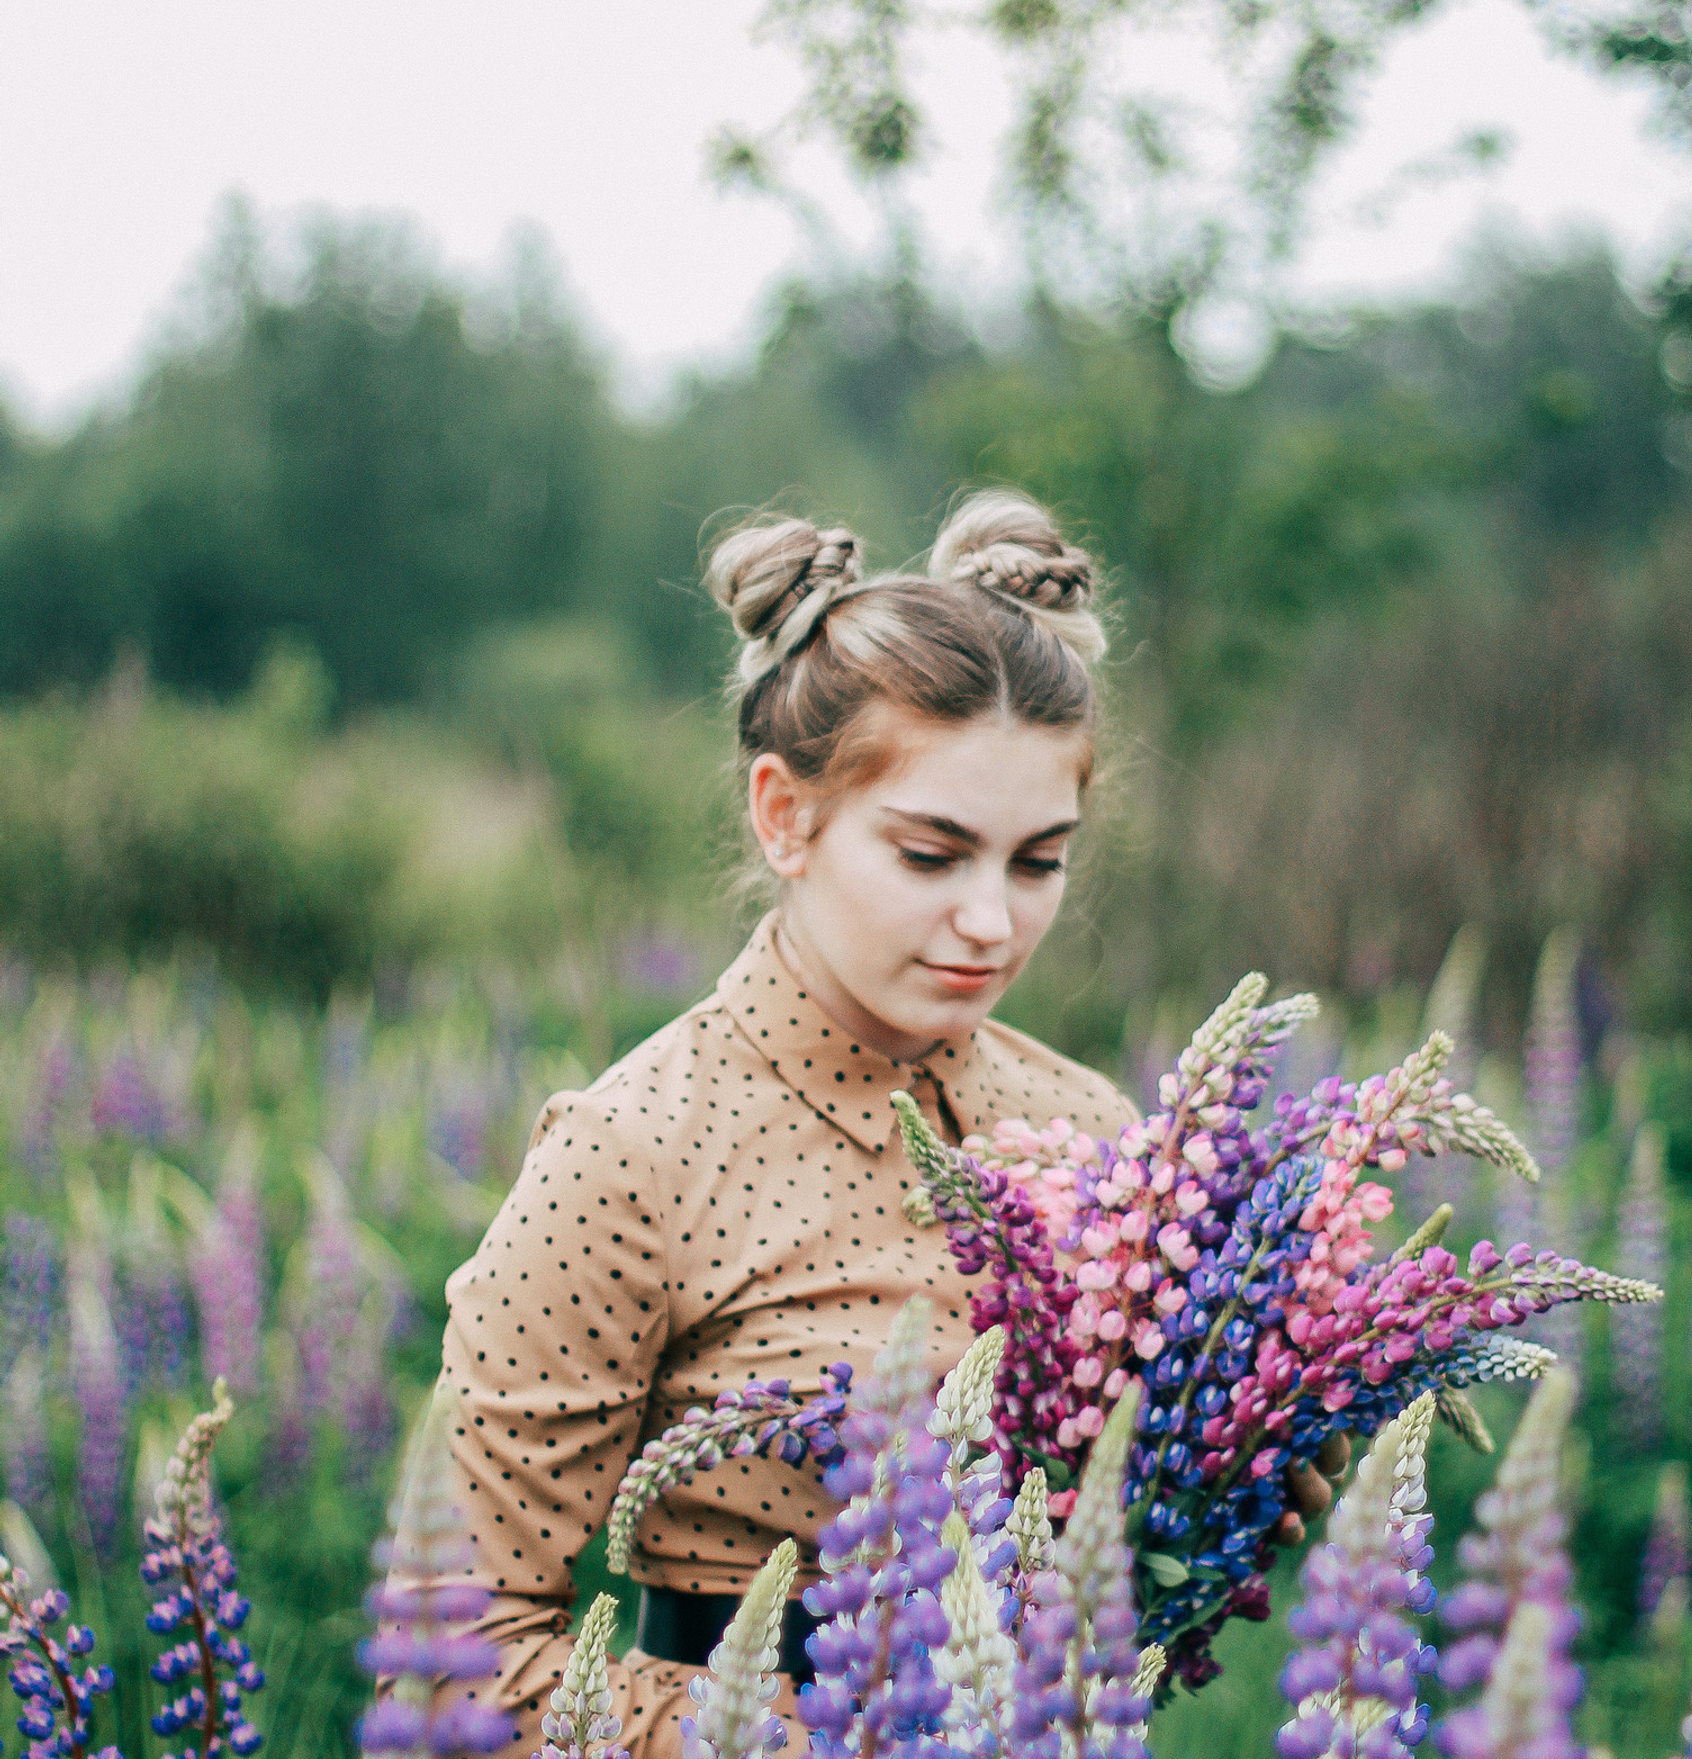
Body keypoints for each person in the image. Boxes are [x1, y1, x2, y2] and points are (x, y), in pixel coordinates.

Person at [414, 492, 1349, 1758]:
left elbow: (1111, 1555)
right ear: (784, 815)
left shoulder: (1099, 1126)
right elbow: (451, 1653)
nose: (991, 922)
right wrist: (759, 1735)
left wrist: (1224, 1476)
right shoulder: (633, 1152)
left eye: (1036, 862)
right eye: (932, 855)